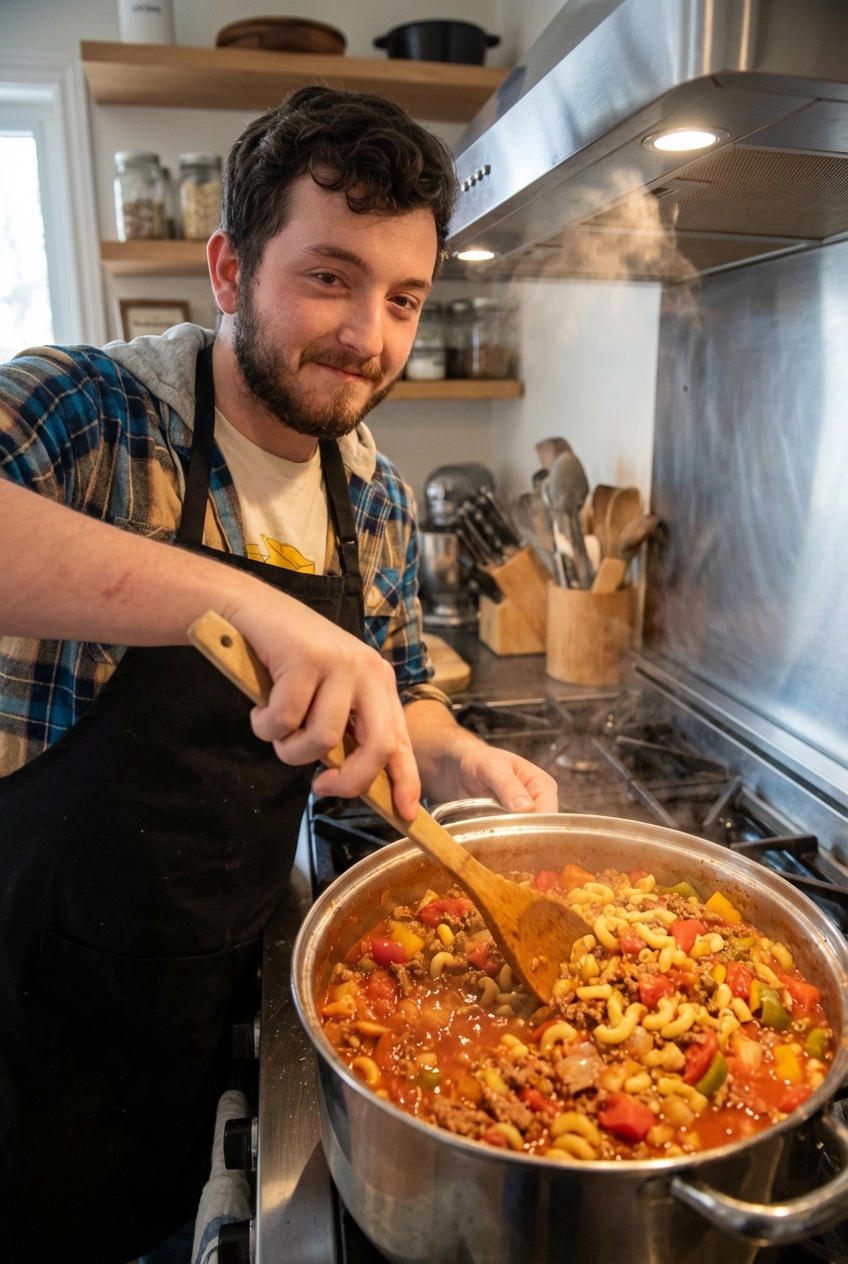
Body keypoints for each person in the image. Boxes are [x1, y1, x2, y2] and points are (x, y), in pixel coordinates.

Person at [0, 87, 557, 1261]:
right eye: (328, 277)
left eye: (403, 298)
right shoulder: (97, 414)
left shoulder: (376, 493)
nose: (370, 332)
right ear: (227, 268)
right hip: (33, 1012)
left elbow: (395, 678)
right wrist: (236, 599)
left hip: (227, 991)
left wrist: (452, 747)